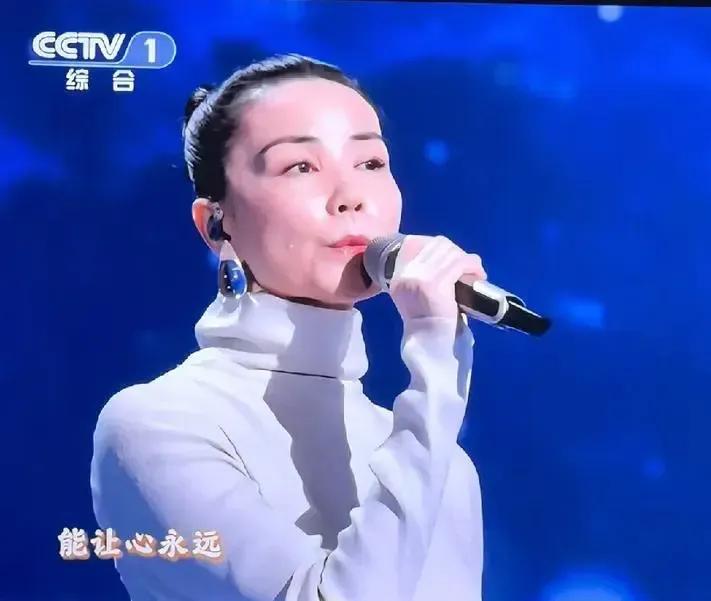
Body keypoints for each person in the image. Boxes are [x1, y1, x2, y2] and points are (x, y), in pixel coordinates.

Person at [90, 53, 487, 601]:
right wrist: (436, 356)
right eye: (300, 166)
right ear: (215, 224)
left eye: (371, 163)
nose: (351, 196)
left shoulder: (443, 460)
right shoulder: (156, 423)